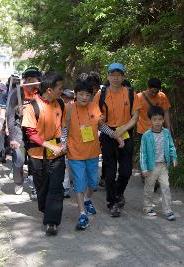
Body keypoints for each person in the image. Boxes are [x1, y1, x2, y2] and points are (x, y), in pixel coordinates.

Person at [61, 76, 123, 230]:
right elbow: (64, 130)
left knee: (94, 183)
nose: (84, 97)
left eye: (87, 95)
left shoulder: (95, 107)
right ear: (76, 94)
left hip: (93, 153)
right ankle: (82, 214)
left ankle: (88, 199)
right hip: (75, 153)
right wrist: (63, 145)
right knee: (80, 184)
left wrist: (116, 136)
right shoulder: (68, 108)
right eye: (81, 94)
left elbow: (102, 126)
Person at [92, 62, 142, 217]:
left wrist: (122, 130)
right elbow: (96, 118)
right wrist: (111, 132)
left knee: (126, 171)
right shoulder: (101, 94)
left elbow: (135, 116)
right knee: (110, 170)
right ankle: (112, 202)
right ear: (108, 76)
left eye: (118, 75)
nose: (115, 78)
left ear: (123, 77)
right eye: (112, 75)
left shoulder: (130, 93)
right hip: (107, 134)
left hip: (126, 132)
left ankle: (119, 193)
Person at [22, 71, 65, 236]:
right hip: (37, 154)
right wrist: (49, 146)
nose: (62, 91)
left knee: (56, 187)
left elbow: (64, 126)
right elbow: (31, 133)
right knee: (42, 187)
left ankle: (51, 222)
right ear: (49, 90)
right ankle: (46, 209)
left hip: (57, 153)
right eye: (60, 88)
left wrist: (62, 145)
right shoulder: (32, 107)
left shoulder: (60, 103)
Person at [140, 105, 178, 221]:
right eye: (154, 119)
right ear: (150, 120)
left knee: (166, 186)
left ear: (163, 120)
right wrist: (144, 168)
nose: (157, 122)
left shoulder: (166, 133)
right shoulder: (146, 136)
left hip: (163, 165)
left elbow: (171, 146)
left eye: (160, 119)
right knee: (149, 187)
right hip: (151, 167)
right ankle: (147, 207)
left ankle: (168, 210)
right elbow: (143, 152)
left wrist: (174, 158)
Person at [6, 68, 40, 195]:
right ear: (27, 79)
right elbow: (9, 115)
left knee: (35, 159)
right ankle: (18, 182)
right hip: (18, 129)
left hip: (34, 129)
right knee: (19, 158)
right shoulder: (16, 93)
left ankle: (35, 184)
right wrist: (12, 138)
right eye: (30, 79)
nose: (34, 82)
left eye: (36, 79)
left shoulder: (40, 92)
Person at [61, 88, 75, 198]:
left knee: (66, 163)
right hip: (72, 137)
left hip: (69, 136)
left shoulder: (64, 106)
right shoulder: (75, 106)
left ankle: (66, 187)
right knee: (71, 162)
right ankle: (71, 185)